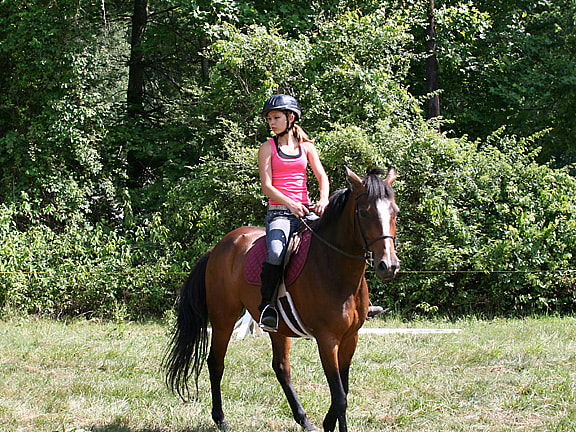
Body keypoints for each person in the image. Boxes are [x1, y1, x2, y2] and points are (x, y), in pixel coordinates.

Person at [257, 94, 330, 332]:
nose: (271, 122)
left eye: (276, 117)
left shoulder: (307, 147)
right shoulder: (267, 148)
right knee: (277, 252)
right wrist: (290, 204)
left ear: (290, 118)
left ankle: (354, 300)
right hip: (279, 213)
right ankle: (267, 307)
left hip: (306, 211)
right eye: (269, 118)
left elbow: (322, 177)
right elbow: (267, 186)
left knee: (337, 240)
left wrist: (323, 199)